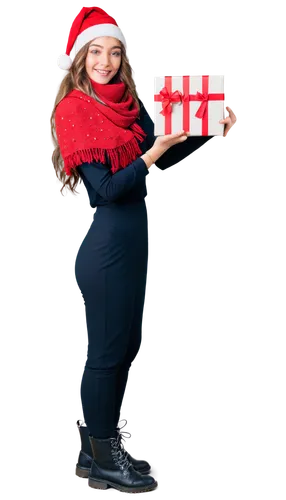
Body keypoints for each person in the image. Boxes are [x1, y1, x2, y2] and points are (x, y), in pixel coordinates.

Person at [48, 4, 239, 495]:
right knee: (106, 355)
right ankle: (106, 459)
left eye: (115, 52)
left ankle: (98, 447)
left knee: (126, 348)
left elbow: (163, 150)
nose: (106, 61)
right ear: (80, 57)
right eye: (96, 52)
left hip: (131, 249)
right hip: (107, 248)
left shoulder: (126, 110)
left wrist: (213, 129)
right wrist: (152, 155)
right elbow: (109, 189)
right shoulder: (73, 109)